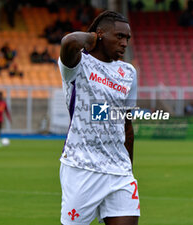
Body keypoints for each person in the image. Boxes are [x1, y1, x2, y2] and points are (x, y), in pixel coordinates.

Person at [58, 11, 139, 225]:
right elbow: (69, 41)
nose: (124, 43)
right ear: (100, 34)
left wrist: (128, 168)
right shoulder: (77, 64)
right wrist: (92, 38)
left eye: (127, 38)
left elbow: (126, 124)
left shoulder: (128, 72)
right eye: (119, 36)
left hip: (119, 172)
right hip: (82, 167)